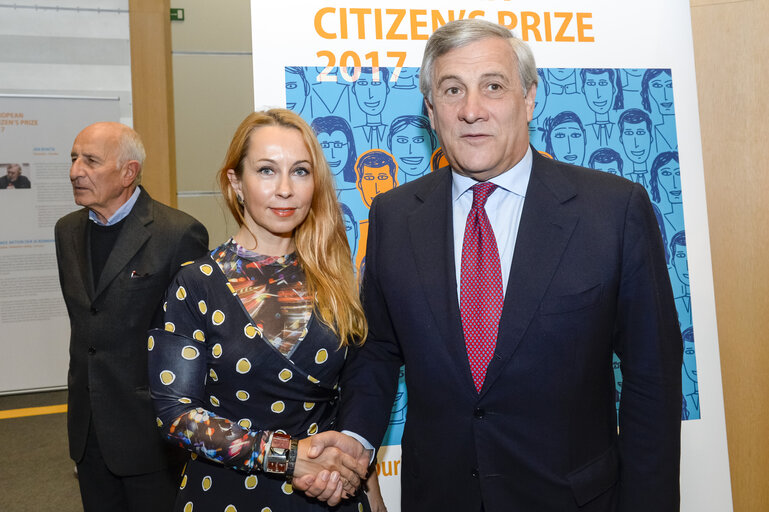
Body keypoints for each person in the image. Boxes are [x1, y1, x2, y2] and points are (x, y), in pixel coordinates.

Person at [307, 19, 683, 511]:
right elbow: (377, 348)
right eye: (451, 90)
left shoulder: (613, 211)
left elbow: (651, 379)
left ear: (529, 98)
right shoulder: (394, 216)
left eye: (493, 86)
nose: (471, 110)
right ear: (430, 110)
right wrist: (355, 436)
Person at [147, 109, 385, 511]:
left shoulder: (337, 273)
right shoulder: (196, 284)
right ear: (236, 183)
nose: (286, 189)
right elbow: (175, 414)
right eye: (267, 171)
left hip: (332, 491)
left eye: (301, 171)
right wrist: (287, 458)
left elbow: (356, 390)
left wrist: (366, 484)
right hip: (231, 494)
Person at [55, 122, 209, 511]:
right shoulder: (66, 231)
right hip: (88, 429)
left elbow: (193, 341)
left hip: (151, 432)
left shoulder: (177, 233)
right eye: (74, 159)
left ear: (128, 172)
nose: (75, 170)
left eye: (90, 160)